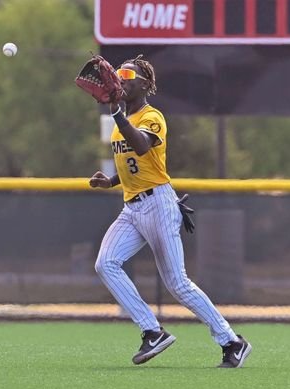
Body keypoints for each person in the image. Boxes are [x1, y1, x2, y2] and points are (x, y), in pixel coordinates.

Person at [89, 54, 252, 368]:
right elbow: (134, 165)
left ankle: (231, 341)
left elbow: (141, 147)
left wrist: (118, 115)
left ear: (145, 84)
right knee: (105, 263)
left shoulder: (152, 116)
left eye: (128, 74)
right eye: (119, 72)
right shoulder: (121, 121)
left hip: (158, 204)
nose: (121, 78)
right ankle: (152, 330)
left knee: (178, 283)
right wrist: (110, 181)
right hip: (132, 207)